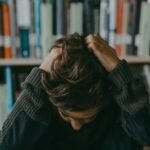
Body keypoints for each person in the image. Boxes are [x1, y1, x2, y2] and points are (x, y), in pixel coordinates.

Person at [0, 33, 150, 150]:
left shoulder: (116, 114)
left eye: (87, 118)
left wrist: (119, 71)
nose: (76, 126)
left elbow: (146, 136)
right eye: (66, 115)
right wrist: (41, 72)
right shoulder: (44, 110)